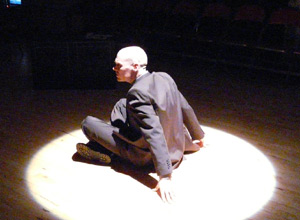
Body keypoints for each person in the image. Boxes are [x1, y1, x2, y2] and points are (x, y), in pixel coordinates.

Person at [76, 46, 205, 203]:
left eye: (119, 65)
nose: (114, 68)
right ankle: (107, 146)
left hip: (146, 157)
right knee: (121, 104)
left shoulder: (137, 93)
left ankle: (103, 149)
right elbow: (184, 106)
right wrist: (198, 135)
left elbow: (154, 131)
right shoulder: (164, 77)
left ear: (135, 66)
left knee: (88, 123)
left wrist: (164, 175)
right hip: (176, 148)